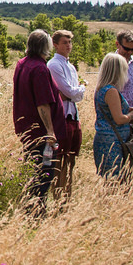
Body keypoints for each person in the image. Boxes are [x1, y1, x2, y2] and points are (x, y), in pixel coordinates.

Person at [12, 30, 63, 215]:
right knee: (44, 172)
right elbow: (43, 103)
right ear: (46, 46)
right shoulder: (40, 69)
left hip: (27, 128)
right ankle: (35, 212)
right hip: (40, 132)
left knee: (33, 170)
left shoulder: (22, 63)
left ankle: (30, 208)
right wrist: (50, 131)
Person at [46, 29, 86, 201]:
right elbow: (69, 91)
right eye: (64, 42)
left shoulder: (70, 66)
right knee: (60, 159)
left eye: (70, 42)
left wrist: (75, 92)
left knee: (71, 159)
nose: (68, 46)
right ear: (55, 44)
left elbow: (74, 94)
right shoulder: (54, 65)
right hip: (62, 116)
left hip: (73, 115)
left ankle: (67, 196)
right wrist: (80, 89)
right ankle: (58, 195)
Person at [93, 51, 133, 179]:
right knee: (114, 181)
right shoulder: (111, 91)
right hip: (113, 142)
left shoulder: (102, 88)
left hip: (106, 139)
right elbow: (119, 119)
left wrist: (127, 110)